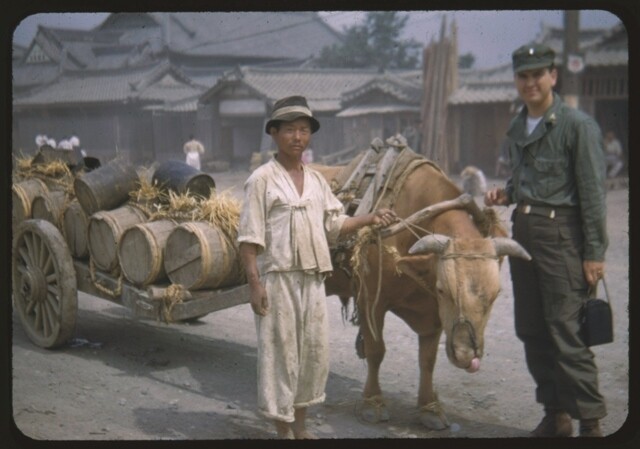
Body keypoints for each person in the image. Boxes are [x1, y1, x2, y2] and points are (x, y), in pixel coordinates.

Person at [237, 95, 397, 439]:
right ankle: (283, 432)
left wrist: (371, 217)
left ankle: (301, 427)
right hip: (278, 281)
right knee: (281, 355)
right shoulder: (261, 180)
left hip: (312, 281)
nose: (298, 137)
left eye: (304, 130)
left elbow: (335, 224)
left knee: (311, 354)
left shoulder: (316, 181)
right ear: (274, 133)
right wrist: (254, 284)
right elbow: (248, 240)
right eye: (291, 130)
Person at [484, 44, 608, 438]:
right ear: (516, 81)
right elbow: (527, 181)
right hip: (524, 235)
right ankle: (555, 415)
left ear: (553, 76)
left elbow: (592, 194)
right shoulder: (519, 127)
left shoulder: (577, 126)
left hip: (562, 238)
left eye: (538, 74)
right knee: (532, 329)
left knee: (566, 331)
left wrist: (594, 254)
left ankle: (591, 424)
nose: (530, 82)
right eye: (523, 76)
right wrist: (506, 194)